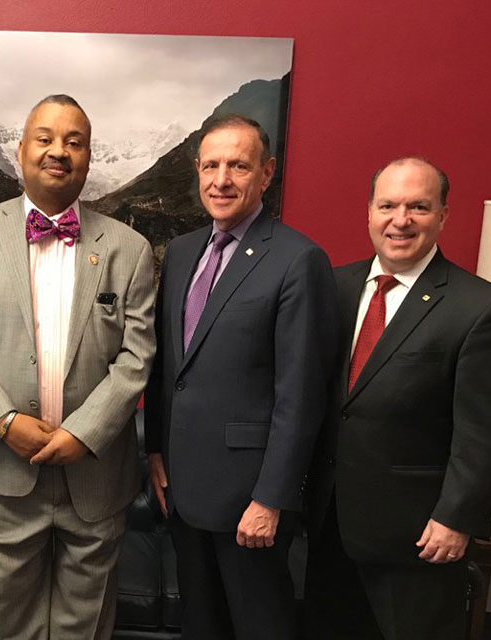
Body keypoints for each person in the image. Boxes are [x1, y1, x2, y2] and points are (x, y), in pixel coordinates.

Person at [0, 94, 155, 639]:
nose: (59, 151)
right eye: (46, 138)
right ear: (21, 151)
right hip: (5, 470)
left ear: (87, 157)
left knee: (86, 627)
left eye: (74, 142)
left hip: (96, 474)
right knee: (8, 625)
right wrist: (5, 423)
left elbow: (137, 357)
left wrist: (85, 433)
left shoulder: (131, 248)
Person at [304, 157, 491, 639]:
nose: (400, 220)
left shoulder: (481, 308)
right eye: (388, 205)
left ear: (443, 215)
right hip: (327, 527)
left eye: (418, 207)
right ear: (369, 213)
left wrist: (456, 518)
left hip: (419, 539)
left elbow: (487, 431)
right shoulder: (331, 288)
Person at [144, 113, 338, 639]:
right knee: (202, 625)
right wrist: (156, 451)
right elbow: (169, 366)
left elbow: (300, 395)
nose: (221, 180)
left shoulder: (299, 260)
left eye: (238, 165)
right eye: (211, 166)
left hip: (250, 498)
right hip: (183, 489)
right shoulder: (182, 252)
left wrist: (271, 498)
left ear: (266, 173)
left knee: (259, 626)